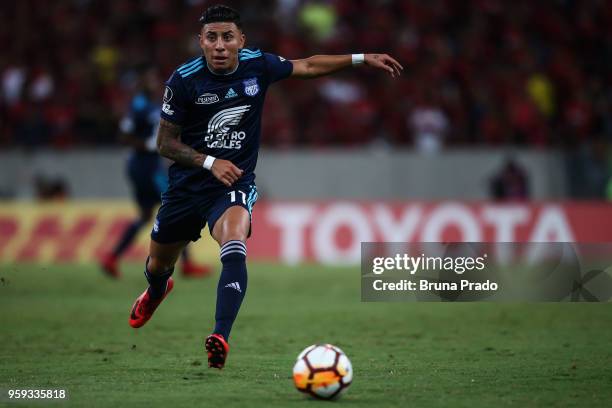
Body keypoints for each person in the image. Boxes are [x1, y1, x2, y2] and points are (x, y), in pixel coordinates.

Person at [128, 4, 403, 369]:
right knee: (159, 264)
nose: (220, 45)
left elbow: (306, 66)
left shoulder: (258, 65)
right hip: (186, 186)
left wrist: (360, 58)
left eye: (228, 37)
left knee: (234, 238)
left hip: (233, 184)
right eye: (212, 38)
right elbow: (165, 144)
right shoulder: (183, 80)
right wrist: (209, 161)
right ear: (201, 42)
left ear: (241, 40)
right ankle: (157, 289)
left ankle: (220, 335)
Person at [100, 68, 211, 278]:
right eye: (149, 78)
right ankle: (187, 264)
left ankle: (112, 257)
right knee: (176, 206)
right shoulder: (139, 105)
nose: (154, 82)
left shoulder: (150, 104)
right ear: (141, 82)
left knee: (145, 215)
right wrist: (149, 145)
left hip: (145, 166)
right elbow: (124, 136)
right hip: (145, 167)